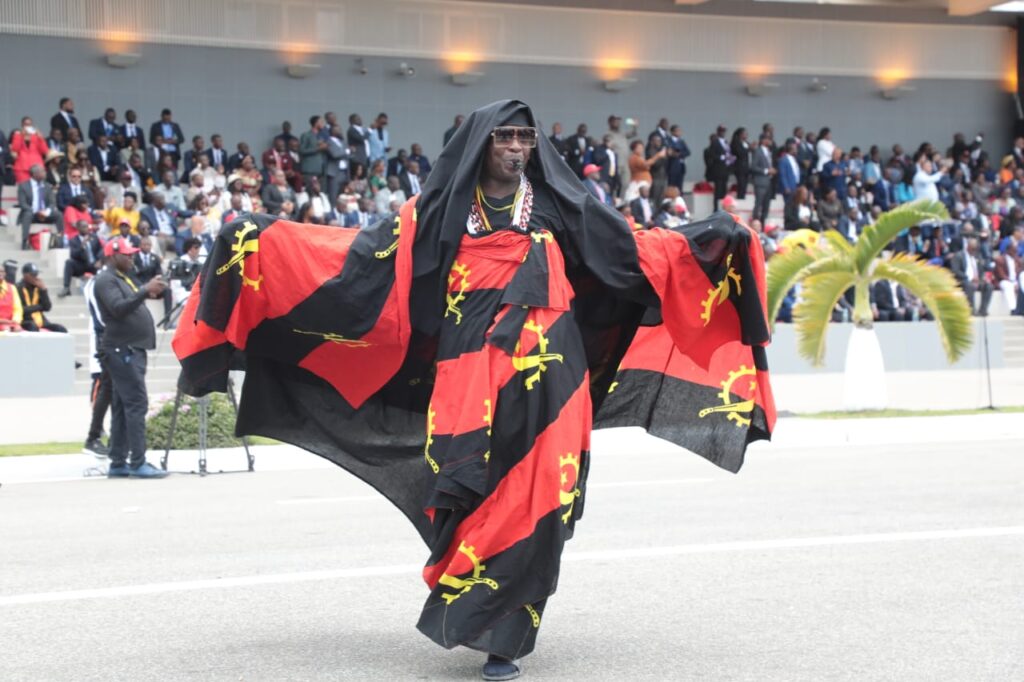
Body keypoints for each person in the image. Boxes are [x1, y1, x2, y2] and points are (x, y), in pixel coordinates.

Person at [173, 100, 774, 682]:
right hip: (470, 370)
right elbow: (359, 257)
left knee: (543, 491)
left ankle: (505, 638)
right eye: (505, 137)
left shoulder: (562, 205)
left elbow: (633, 249)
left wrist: (707, 237)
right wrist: (260, 238)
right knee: (472, 488)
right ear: (482, 144)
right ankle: (473, 602)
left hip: (553, 377)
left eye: (525, 138)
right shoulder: (438, 210)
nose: (516, 148)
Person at [94, 237, 169, 478]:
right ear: (112, 255)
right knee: (136, 404)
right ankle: (138, 461)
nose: (131, 257)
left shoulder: (123, 277)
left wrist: (150, 291)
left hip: (129, 348)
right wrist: (144, 290)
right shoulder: (105, 279)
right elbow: (118, 308)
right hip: (122, 349)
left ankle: (118, 461)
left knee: (122, 406)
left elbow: (131, 301)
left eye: (132, 254)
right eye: (127, 254)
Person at [17, 164, 62, 250]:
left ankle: (61, 240)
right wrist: (36, 211)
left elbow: (52, 203)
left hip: (45, 214)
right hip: (32, 214)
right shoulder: (23, 186)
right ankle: (25, 241)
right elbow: (22, 204)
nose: (45, 173)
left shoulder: (48, 186)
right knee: (27, 214)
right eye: (43, 171)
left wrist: (46, 212)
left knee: (58, 214)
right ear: (34, 174)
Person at [17, 263, 67, 333]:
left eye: (36, 274)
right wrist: (40, 306)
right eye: (33, 275)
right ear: (25, 275)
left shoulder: (38, 287)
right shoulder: (18, 288)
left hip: (41, 321)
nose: (35, 277)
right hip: (25, 320)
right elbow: (21, 309)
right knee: (33, 326)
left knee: (61, 329)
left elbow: (47, 307)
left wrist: (43, 290)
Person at [59, 220, 104, 297]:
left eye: (87, 226)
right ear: (78, 228)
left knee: (105, 266)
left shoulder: (94, 237)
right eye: (83, 227)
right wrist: (82, 246)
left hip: (94, 264)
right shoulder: (73, 240)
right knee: (69, 262)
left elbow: (101, 250)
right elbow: (73, 255)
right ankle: (66, 288)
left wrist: (100, 260)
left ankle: (104, 291)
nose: (86, 229)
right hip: (82, 264)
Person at [10, 116, 50, 185]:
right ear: (22, 125)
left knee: (38, 188)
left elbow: (45, 151)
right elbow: (15, 149)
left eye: (30, 124)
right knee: (24, 188)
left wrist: (41, 138)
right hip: (22, 168)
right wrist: (21, 136)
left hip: (37, 167)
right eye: (26, 124)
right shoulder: (17, 135)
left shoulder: (36, 136)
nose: (28, 126)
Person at [750, 133, 776, 224]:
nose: (770, 141)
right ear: (763, 140)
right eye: (768, 139)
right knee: (758, 204)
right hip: (760, 182)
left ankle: (763, 225)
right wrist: (766, 171)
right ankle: (755, 225)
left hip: (768, 182)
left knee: (766, 205)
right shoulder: (758, 151)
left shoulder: (768, 152)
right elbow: (753, 167)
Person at [299, 115, 327, 188]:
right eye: (322, 122)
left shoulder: (323, 136)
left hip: (321, 170)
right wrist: (318, 149)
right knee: (310, 191)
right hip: (310, 170)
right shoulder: (306, 135)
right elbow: (302, 150)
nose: (324, 124)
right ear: (316, 123)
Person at [730, 127, 750, 200]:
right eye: (744, 134)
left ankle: (743, 197)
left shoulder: (746, 143)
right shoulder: (736, 143)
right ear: (740, 135)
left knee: (745, 184)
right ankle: (740, 198)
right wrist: (749, 149)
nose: (746, 135)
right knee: (741, 184)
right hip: (739, 167)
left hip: (746, 167)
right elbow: (739, 153)